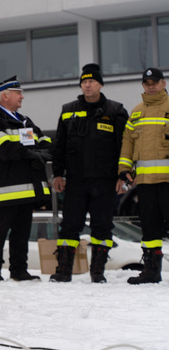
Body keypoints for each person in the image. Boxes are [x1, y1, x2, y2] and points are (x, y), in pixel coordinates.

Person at [50, 64, 128, 283]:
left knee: (102, 225)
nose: (87, 85)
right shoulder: (68, 110)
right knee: (69, 226)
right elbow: (60, 146)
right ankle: (63, 270)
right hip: (75, 180)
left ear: (100, 84)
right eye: (84, 81)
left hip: (105, 181)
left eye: (91, 81)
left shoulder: (116, 111)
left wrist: (124, 175)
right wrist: (57, 174)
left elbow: (126, 146)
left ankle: (97, 272)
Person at [0, 76, 51, 282]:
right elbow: (2, 148)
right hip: (5, 189)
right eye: (18, 93)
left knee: (21, 233)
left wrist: (43, 154)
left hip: (27, 189)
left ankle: (19, 270)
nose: (22, 97)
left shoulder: (25, 121)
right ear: (5, 96)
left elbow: (45, 141)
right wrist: (32, 155)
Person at [117, 67, 169, 284]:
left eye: (154, 82)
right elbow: (127, 143)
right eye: (147, 83)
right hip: (145, 183)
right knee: (149, 227)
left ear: (163, 84)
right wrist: (124, 170)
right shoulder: (137, 112)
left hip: (168, 182)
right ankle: (151, 271)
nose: (150, 86)